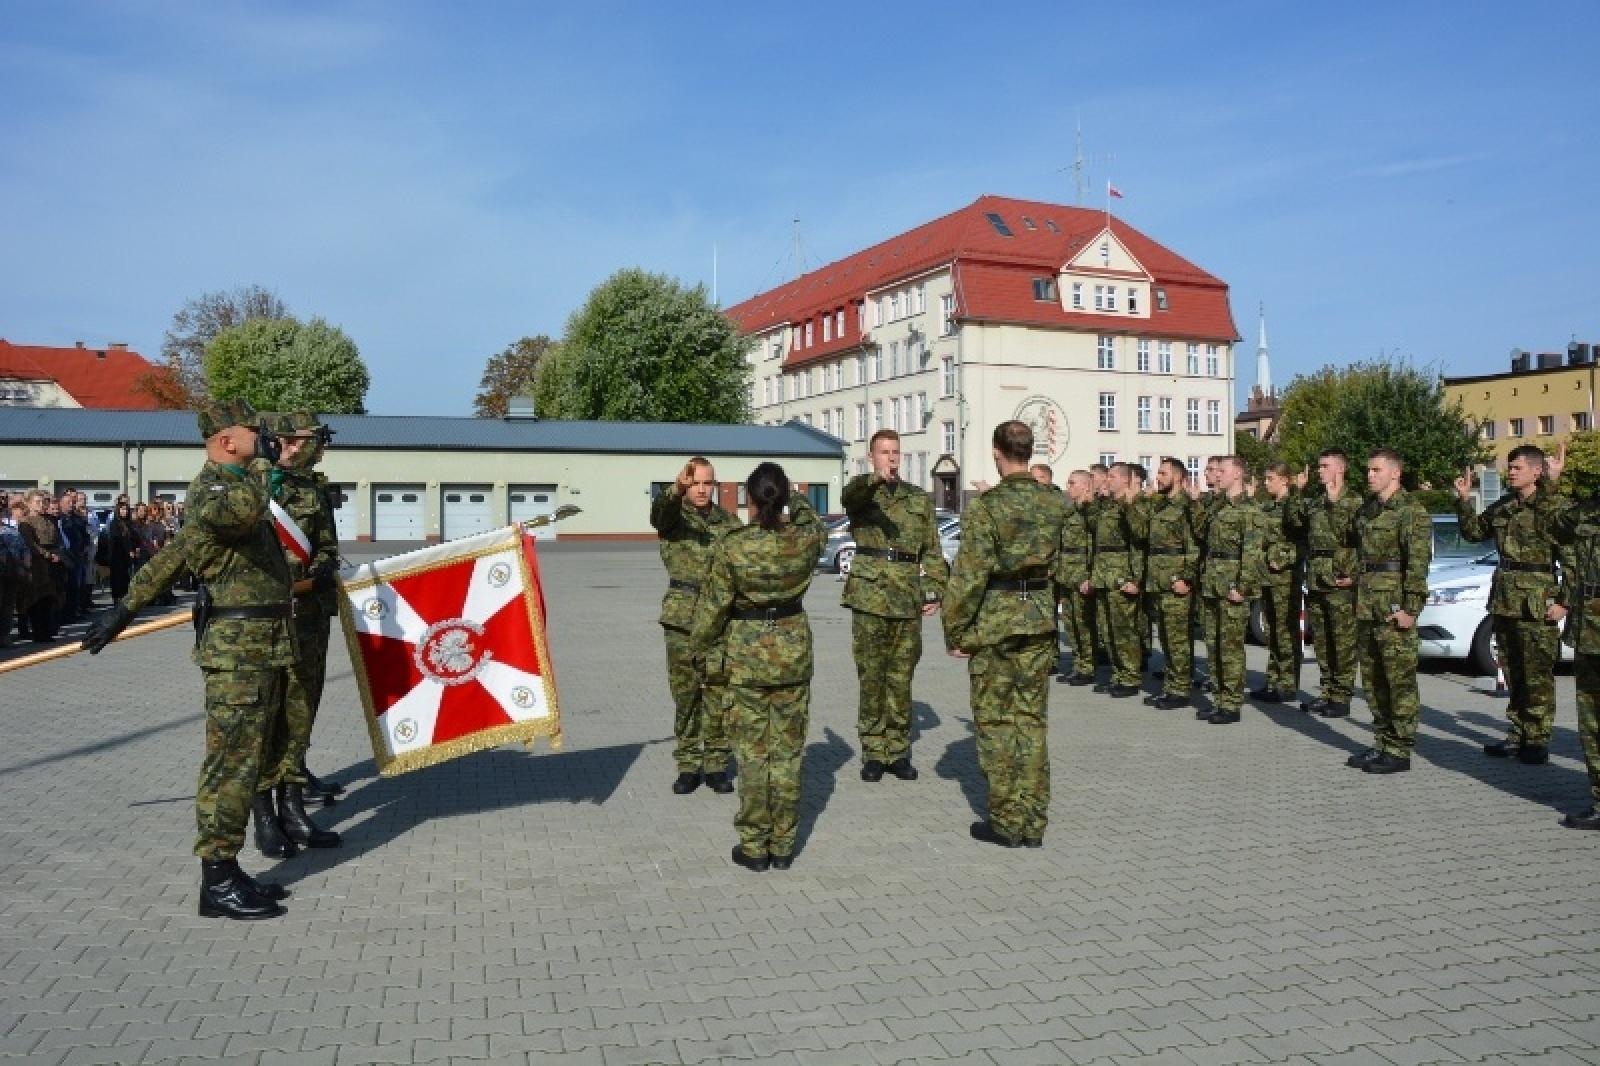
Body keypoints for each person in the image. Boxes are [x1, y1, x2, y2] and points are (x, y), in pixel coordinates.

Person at [81, 399, 297, 920]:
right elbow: (247, 513)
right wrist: (267, 465)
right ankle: (217, 878)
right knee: (231, 765)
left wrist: (126, 607)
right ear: (225, 442)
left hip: (262, 642)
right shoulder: (216, 489)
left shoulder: (236, 484)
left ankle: (228, 867)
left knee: (248, 762)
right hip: (236, 650)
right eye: (253, 431)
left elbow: (174, 555)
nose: (263, 437)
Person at [689, 464, 825, 871]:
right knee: (787, 752)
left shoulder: (734, 545)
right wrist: (793, 496)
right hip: (791, 653)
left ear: (749, 499)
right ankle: (783, 844)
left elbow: (713, 608)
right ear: (784, 498)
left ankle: (753, 845)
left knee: (752, 753)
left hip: (747, 657)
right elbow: (812, 520)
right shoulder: (805, 540)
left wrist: (700, 651)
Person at [943, 421, 1070, 849]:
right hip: (1037, 618)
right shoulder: (1056, 502)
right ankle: (1034, 821)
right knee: (1031, 721)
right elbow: (1070, 560)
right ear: (1029, 452)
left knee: (997, 722)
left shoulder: (988, 506)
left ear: (998, 451)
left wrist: (954, 628)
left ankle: (1006, 819)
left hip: (996, 622)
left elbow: (969, 574)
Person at [250, 412, 343, 855]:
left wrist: (323, 566)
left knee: (301, 711)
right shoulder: (253, 487)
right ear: (286, 441)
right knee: (266, 718)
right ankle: (264, 815)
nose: (319, 447)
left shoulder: (311, 489)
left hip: (308, 619)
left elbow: (325, 543)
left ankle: (293, 807)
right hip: (266, 621)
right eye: (313, 439)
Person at [841, 429, 948, 782]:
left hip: (906, 594)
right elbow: (850, 496)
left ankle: (898, 749)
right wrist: (873, 481)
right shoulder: (861, 493)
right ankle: (873, 750)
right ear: (871, 456)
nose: (891, 457)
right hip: (869, 595)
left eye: (895, 452)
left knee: (901, 677)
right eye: (884, 452)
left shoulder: (916, 498)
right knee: (871, 676)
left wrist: (934, 588)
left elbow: (932, 549)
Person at [1454, 445, 1569, 764]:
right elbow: (1474, 532)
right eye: (1510, 467)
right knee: (1513, 670)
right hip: (1505, 599)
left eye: (1518, 467)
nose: (1511, 471)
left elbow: (1572, 559)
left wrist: (1564, 601)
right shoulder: (1504, 507)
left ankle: (1537, 738)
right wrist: (1464, 500)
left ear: (1536, 471)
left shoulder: (1553, 507)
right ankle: (1517, 734)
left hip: (1536, 601)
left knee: (1537, 674)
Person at [650, 457, 741, 795]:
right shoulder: (674, 518)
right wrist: (675, 489)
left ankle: (716, 763)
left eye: (707, 483)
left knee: (718, 692)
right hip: (682, 617)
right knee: (686, 694)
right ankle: (688, 764)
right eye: (695, 483)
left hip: (719, 616)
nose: (702, 489)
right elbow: (659, 514)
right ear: (686, 484)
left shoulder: (729, 522)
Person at [1345, 449, 1433, 774]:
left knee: (1399, 681)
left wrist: (1411, 608)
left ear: (1395, 473)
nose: (1369, 475)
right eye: (1368, 470)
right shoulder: (1368, 510)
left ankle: (1400, 748)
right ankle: (1381, 741)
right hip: (1368, 605)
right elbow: (1359, 552)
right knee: (1373, 680)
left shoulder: (1411, 511)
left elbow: (1418, 564)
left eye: (1376, 470)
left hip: (1394, 606)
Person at [1540, 444, 1600, 828]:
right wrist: (1553, 482)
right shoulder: (1588, 511)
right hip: (1591, 635)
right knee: (1592, 722)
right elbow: (1553, 524)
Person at [1288, 450, 1362, 718]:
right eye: (1319, 466)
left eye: (1325, 466)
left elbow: (1356, 538)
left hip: (1340, 578)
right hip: (1318, 577)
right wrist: (1297, 493)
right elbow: (1295, 524)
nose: (1319, 471)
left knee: (1342, 640)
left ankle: (1341, 696)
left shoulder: (1354, 502)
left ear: (1340, 469)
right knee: (1321, 640)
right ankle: (1327, 691)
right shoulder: (1316, 502)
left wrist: (1355, 576)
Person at [1195, 456, 1265, 724]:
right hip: (1213, 583)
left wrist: (1243, 587)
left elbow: (1252, 553)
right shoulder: (1217, 507)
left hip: (1233, 585)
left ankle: (1232, 703)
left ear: (1237, 475)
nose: (1217, 475)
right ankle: (1219, 698)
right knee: (1213, 644)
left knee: (1231, 646)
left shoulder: (1250, 511)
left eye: (1222, 471)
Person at [1142, 458, 1199, 710]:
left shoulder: (1186, 507)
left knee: (1177, 639)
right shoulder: (1161, 506)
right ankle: (1171, 684)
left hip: (1177, 582)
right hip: (1159, 581)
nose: (1158, 477)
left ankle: (1180, 689)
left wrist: (1187, 578)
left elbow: (1194, 546)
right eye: (1158, 473)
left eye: (1163, 473)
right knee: (1165, 637)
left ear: (1177, 477)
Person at [1088, 462, 1144, 697]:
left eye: (1111, 477)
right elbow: (1092, 529)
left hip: (1122, 573)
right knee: (1107, 628)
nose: (1106, 480)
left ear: (1124, 480)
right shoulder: (1107, 505)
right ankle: (1118, 673)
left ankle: (1131, 676)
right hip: (1104, 574)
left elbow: (1139, 542)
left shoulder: (1132, 505)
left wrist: (1135, 578)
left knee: (1124, 629)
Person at [1252, 461, 1304, 704]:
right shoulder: (1268, 507)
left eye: (1270, 478)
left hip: (1285, 577)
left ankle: (1288, 684)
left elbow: (1301, 541)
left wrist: (1282, 559)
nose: (1266, 483)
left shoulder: (1292, 506)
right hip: (1267, 576)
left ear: (1285, 480)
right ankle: (1273, 680)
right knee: (1272, 630)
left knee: (1286, 630)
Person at [1055, 470, 1098, 686]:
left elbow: (1095, 547)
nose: (1068, 486)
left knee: (1084, 624)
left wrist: (1090, 576)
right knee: (1070, 623)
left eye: (1072, 483)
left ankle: (1088, 667)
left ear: (1085, 486)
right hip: (1066, 574)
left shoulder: (1091, 512)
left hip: (1082, 573)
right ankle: (1078, 663)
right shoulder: (1070, 511)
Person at [18, 489, 63, 642]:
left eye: (43, 502)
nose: (41, 505)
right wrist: (48, 555)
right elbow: (31, 545)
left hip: (52, 562)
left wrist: (58, 554)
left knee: (49, 599)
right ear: (29, 503)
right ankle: (38, 632)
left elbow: (57, 539)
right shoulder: (25, 522)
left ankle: (47, 630)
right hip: (36, 563)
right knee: (36, 599)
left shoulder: (49, 520)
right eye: (37, 502)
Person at [102, 501, 141, 601]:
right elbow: (119, 539)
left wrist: (135, 547)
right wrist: (129, 550)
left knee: (126, 577)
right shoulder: (114, 524)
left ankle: (125, 596)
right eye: (122, 509)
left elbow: (134, 537)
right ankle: (117, 598)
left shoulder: (129, 524)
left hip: (127, 557)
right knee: (117, 577)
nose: (125, 512)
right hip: (117, 555)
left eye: (126, 509)